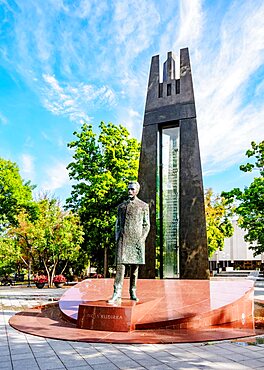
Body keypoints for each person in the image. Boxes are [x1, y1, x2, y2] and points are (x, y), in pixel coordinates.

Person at [108, 181, 150, 303]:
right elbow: (117, 224)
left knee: (134, 269)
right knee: (120, 267)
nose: (130, 191)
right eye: (128, 189)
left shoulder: (143, 206)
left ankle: (133, 291)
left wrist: (142, 239)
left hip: (136, 240)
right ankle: (117, 292)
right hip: (123, 239)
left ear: (137, 191)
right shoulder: (121, 207)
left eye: (132, 189)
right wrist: (117, 238)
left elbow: (146, 225)